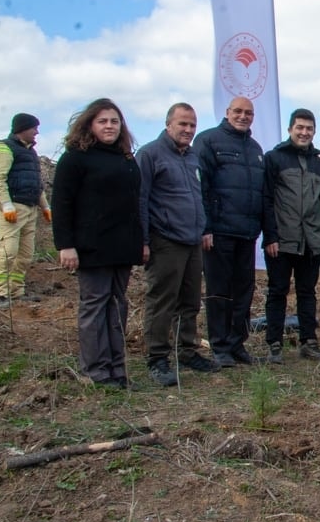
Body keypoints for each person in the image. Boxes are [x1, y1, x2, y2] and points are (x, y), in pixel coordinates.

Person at [51, 98, 143, 389]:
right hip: (91, 247)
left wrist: (141, 242)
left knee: (118, 306)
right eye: (103, 121)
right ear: (90, 124)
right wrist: (65, 245)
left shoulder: (126, 159)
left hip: (122, 246)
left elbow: (134, 205)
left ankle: (117, 368)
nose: (109, 126)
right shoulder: (75, 158)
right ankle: (96, 371)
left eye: (114, 121)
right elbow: (62, 203)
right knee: (95, 306)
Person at [137, 103, 220, 387]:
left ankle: (186, 350)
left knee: (190, 300)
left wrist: (204, 229)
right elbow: (141, 199)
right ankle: (157, 357)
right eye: (182, 124)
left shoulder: (193, 157)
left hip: (192, 239)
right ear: (168, 124)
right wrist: (143, 240)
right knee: (162, 300)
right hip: (165, 240)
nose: (188, 130)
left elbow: (200, 197)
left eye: (192, 125)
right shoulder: (150, 154)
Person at [195, 96, 266, 368]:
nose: (243, 116)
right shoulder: (209, 141)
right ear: (227, 113)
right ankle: (220, 346)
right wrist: (206, 227)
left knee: (243, 292)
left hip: (247, 233)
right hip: (218, 233)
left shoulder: (255, 148)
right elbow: (201, 187)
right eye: (238, 111)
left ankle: (238, 344)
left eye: (248, 112)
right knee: (219, 291)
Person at [262, 108, 320, 363]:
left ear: (314, 132)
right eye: (299, 127)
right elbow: (266, 199)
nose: (304, 132)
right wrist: (270, 237)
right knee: (277, 291)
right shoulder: (274, 158)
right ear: (290, 129)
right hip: (282, 240)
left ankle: (308, 342)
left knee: (307, 292)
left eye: (309, 129)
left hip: (311, 241)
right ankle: (274, 344)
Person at [0, 113, 52, 309]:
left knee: (25, 254)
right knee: (7, 252)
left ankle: (16, 291)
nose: (37, 132)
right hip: (11, 209)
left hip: (30, 209)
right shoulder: (4, 148)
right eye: (33, 128)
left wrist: (45, 206)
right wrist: (6, 204)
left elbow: (37, 183)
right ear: (22, 128)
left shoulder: (30, 152)